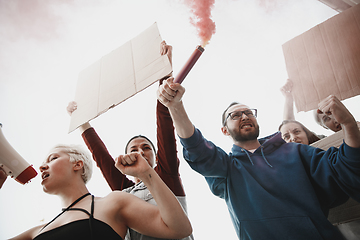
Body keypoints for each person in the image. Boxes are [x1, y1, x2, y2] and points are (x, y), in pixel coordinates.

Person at [157, 77, 360, 240]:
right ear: (224, 131)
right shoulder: (226, 169)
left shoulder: (295, 152)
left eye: (248, 112)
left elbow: (346, 169)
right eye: (235, 115)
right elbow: (198, 149)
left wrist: (349, 124)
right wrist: (176, 106)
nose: (244, 116)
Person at [67, 41, 193, 240]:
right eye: (133, 148)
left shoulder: (166, 175)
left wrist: (165, 75)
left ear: (155, 155)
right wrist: (81, 122)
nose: (140, 152)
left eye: (146, 148)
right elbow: (102, 158)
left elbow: (165, 126)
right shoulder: (123, 191)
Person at [6, 144, 192, 240]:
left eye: (53, 158)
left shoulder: (113, 203)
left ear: (78, 164)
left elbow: (179, 228)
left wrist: (145, 173)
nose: (42, 166)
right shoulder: (36, 232)